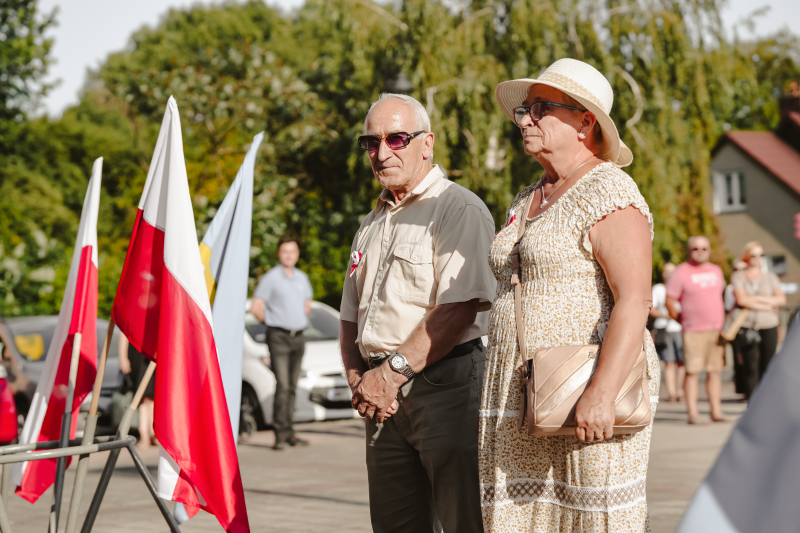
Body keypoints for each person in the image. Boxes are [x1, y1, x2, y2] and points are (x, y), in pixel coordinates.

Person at [481, 58, 660, 531]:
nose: (527, 118)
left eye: (541, 108)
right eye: (525, 110)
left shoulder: (608, 190)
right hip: (520, 391)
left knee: (587, 518)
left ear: (585, 122)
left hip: (583, 389)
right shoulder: (527, 196)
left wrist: (600, 393)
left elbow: (634, 299)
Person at [340, 93, 496, 533]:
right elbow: (351, 316)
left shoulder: (457, 207)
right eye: (371, 142)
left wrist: (388, 375)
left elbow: (460, 307)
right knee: (394, 525)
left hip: (443, 386)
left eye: (396, 138)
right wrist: (360, 380)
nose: (382, 151)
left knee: (466, 521)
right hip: (381, 399)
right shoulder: (372, 221)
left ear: (426, 143)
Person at [251, 236, 314, 450]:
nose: (289, 255)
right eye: (285, 251)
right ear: (279, 254)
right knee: (283, 385)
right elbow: (256, 307)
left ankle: (289, 431)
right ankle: (279, 433)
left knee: (293, 386)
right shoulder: (271, 278)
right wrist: (274, 322)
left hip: (299, 336)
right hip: (278, 336)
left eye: (293, 252)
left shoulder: (301, 277)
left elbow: (307, 304)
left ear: (297, 254)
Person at [666, 236, 733, 424]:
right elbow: (670, 301)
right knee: (693, 372)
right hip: (693, 330)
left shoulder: (716, 270)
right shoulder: (680, 273)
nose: (700, 252)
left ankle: (716, 412)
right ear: (689, 251)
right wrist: (682, 320)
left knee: (715, 371)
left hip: (716, 330)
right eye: (696, 249)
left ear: (709, 250)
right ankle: (693, 414)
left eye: (704, 249)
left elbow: (719, 296)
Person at [731, 241, 785, 399]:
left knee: (768, 364)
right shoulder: (738, 276)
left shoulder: (770, 277)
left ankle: (767, 398)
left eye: (761, 255)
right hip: (748, 325)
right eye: (753, 255)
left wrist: (755, 299)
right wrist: (768, 303)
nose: (757, 258)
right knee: (750, 365)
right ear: (746, 257)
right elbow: (742, 300)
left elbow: (781, 299)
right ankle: (752, 399)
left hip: (769, 324)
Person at [651, 262, 685, 402]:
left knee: (682, 361)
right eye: (666, 271)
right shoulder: (659, 289)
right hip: (665, 329)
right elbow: (651, 309)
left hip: (681, 328)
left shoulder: (682, 287)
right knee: (669, 362)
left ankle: (679, 390)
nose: (669, 274)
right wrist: (667, 316)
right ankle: (672, 392)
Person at [118, 333, 156, 449]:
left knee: (153, 397)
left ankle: (152, 433)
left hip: (154, 354)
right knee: (144, 396)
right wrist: (123, 358)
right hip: (139, 355)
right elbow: (124, 333)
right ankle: (145, 434)